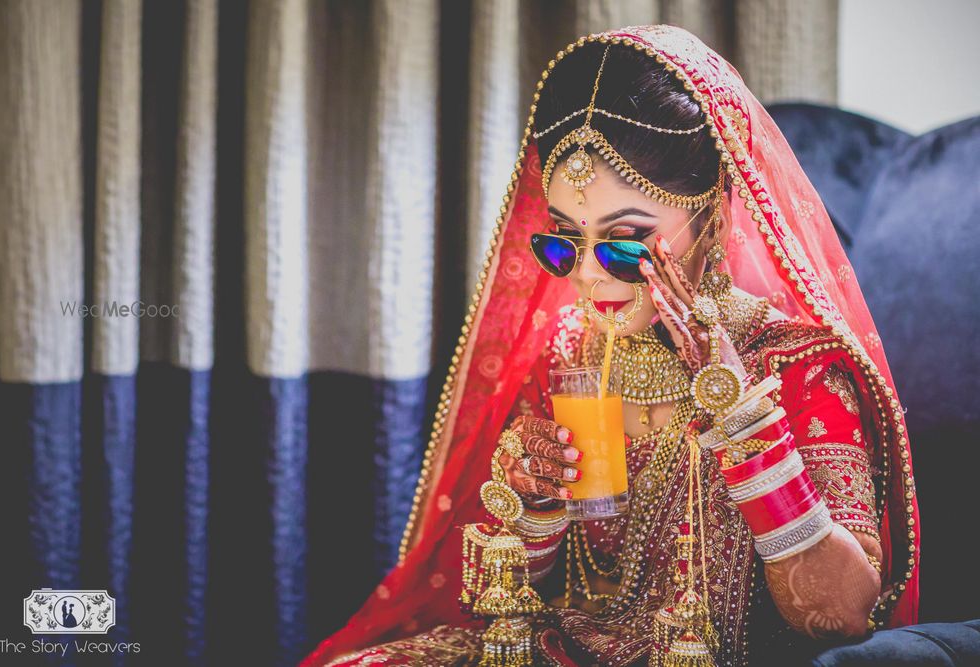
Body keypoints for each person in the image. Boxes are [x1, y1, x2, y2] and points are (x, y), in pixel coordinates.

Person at [300, 25, 919, 666]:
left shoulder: (798, 369)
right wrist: (535, 507)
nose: (587, 275)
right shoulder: (572, 350)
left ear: (714, 215)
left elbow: (842, 616)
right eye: (563, 242)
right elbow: (540, 597)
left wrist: (741, 421)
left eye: (624, 244)